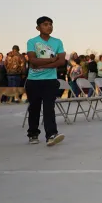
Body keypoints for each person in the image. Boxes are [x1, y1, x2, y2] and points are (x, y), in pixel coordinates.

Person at [25, 16, 66, 146]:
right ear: (38, 27)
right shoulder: (32, 42)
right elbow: (32, 60)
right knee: (34, 108)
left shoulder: (58, 42)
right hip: (34, 81)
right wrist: (51, 60)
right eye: (45, 24)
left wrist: (41, 65)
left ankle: (51, 135)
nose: (49, 26)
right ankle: (33, 134)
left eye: (51, 24)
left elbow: (61, 61)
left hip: (50, 80)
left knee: (49, 108)